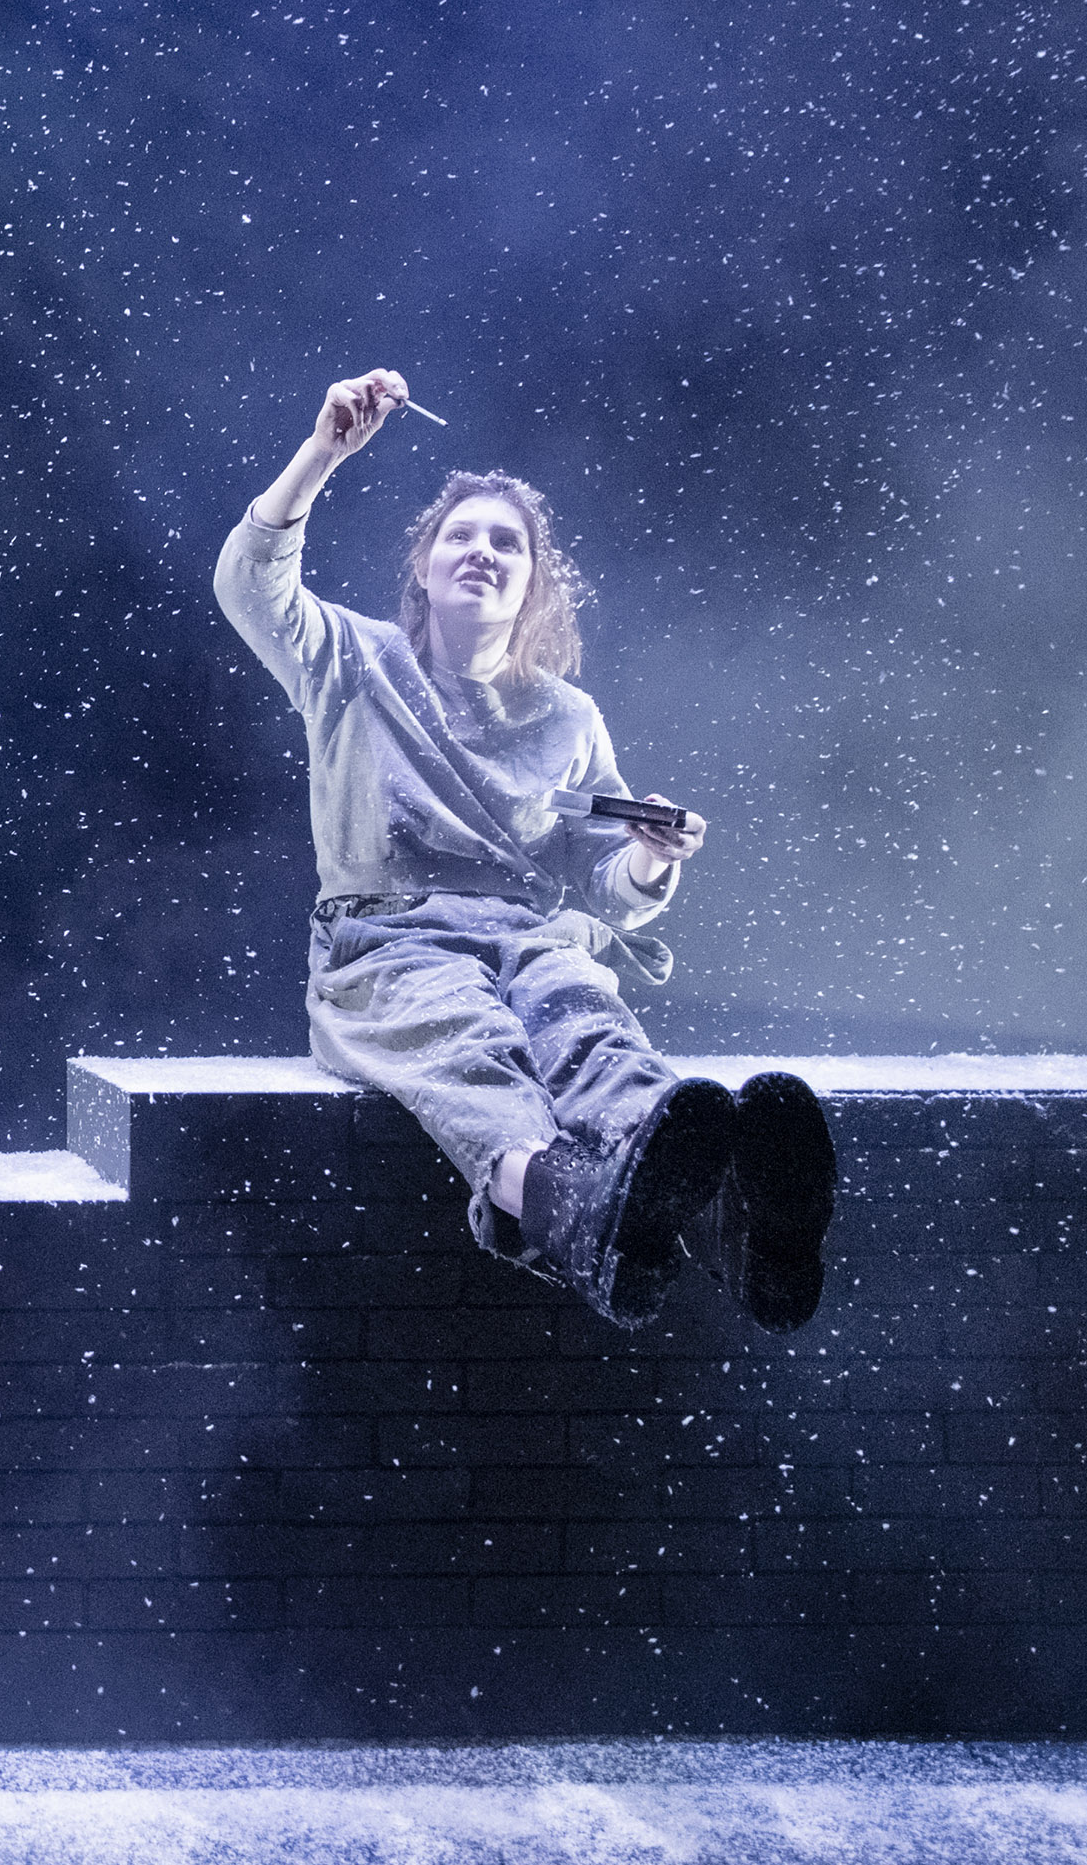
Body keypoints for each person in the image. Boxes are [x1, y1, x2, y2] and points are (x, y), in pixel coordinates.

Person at [214, 368, 836, 1331]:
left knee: (588, 1025)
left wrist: (653, 856)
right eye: (460, 535)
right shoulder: (352, 660)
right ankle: (567, 1207)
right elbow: (250, 584)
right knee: (466, 1047)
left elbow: (602, 883)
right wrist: (324, 453)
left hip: (531, 938)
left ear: (533, 583)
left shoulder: (567, 716)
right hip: (388, 945)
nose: (482, 550)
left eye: (507, 542)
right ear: (424, 570)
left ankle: (727, 1210)